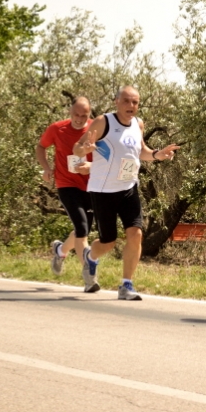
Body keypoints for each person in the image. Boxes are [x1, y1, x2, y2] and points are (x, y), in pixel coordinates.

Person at [73, 86, 180, 300]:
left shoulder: (137, 124)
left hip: (128, 187)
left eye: (135, 102)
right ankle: (91, 256)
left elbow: (141, 152)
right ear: (117, 101)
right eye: (126, 101)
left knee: (136, 234)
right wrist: (84, 150)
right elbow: (77, 148)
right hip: (103, 190)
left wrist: (158, 154)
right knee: (108, 242)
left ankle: (126, 285)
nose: (131, 106)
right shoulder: (104, 122)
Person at [36, 96, 95, 290]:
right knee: (81, 227)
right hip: (66, 184)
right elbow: (41, 147)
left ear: (89, 114)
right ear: (70, 112)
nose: (79, 118)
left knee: (82, 230)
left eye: (83, 115)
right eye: (76, 114)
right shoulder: (57, 129)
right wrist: (46, 168)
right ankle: (89, 277)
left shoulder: (96, 129)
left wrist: (92, 166)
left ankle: (60, 250)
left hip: (91, 185)